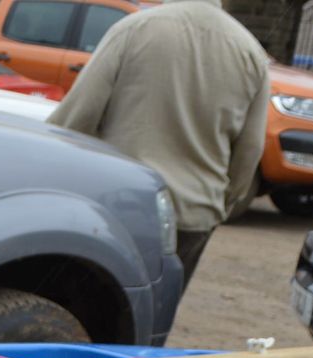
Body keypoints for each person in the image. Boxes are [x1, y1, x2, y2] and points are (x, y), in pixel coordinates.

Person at [49, 0, 269, 290]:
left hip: (123, 204)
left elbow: (78, 116)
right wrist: (221, 202)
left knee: (92, 310)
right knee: (156, 318)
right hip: (195, 214)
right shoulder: (250, 51)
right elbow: (250, 149)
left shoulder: (135, 28)